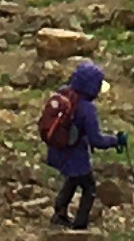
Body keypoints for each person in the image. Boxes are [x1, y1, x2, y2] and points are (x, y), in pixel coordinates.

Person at [42, 57, 127, 229]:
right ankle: (79, 225)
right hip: (75, 154)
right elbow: (96, 139)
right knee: (89, 188)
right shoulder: (86, 108)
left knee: (73, 179)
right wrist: (115, 140)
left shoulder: (64, 93)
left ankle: (60, 211)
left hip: (58, 149)